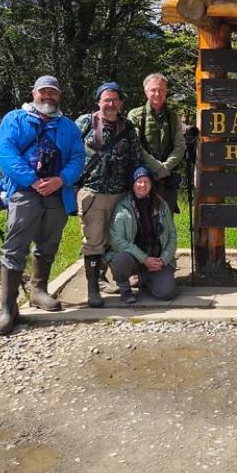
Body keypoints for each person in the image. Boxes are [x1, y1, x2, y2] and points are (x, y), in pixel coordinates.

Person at [0, 75, 86, 335]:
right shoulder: (14, 119)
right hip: (24, 192)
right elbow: (5, 154)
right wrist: (33, 181)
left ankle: (38, 290)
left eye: (53, 93)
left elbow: (78, 157)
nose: (48, 97)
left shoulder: (68, 127)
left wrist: (61, 179)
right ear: (34, 94)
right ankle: (8, 307)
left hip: (57, 193)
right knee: (15, 247)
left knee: (48, 243)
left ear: (59, 96)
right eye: (43, 92)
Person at [75, 82, 144, 308]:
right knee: (94, 241)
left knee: (118, 239)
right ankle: (93, 289)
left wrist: (140, 183)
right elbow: (69, 152)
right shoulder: (84, 123)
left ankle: (119, 282)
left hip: (120, 194)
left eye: (115, 100)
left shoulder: (128, 127)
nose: (111, 104)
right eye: (106, 100)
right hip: (92, 193)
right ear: (98, 101)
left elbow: (135, 159)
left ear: (121, 103)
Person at [105, 168, 178, 304]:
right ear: (133, 185)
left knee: (167, 293)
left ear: (151, 184)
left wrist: (163, 260)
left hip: (157, 258)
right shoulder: (123, 207)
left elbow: (172, 235)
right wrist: (144, 259)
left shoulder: (161, 205)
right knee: (120, 260)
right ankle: (125, 289)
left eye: (146, 181)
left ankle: (146, 279)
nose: (142, 185)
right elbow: (117, 241)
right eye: (139, 182)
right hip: (135, 258)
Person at [128, 73, 185, 213]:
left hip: (167, 178)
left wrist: (166, 168)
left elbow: (180, 146)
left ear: (166, 91)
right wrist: (157, 168)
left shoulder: (173, 117)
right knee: (142, 220)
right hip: (143, 178)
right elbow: (135, 146)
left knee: (166, 221)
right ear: (146, 91)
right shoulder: (135, 115)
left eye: (161, 90)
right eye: (153, 90)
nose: (157, 93)